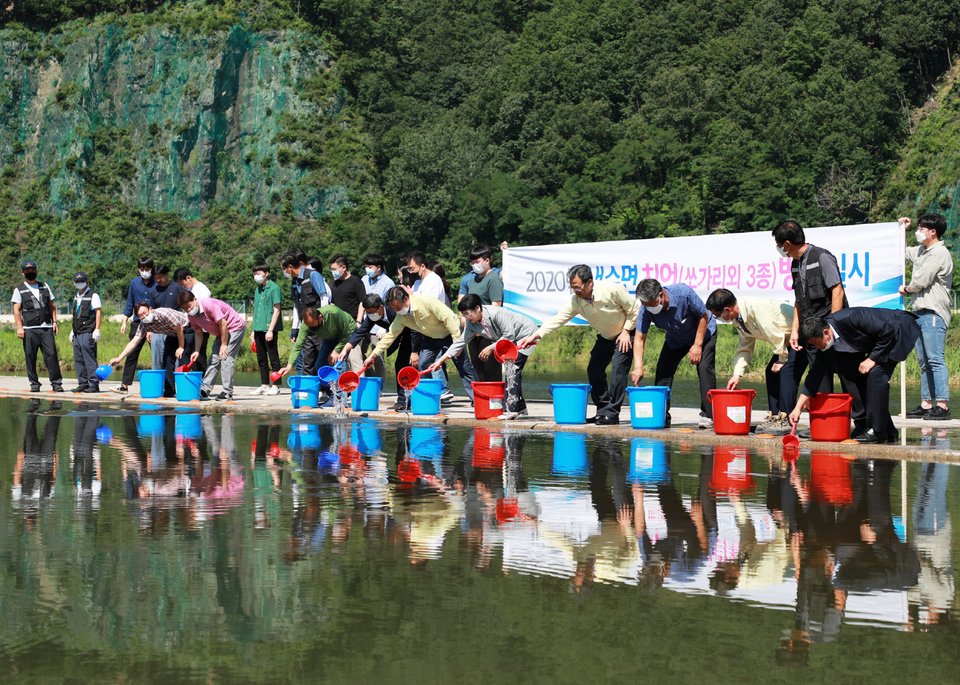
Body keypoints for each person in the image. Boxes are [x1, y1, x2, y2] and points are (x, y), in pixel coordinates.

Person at [773, 220, 866, 435]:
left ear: (787, 243)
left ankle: (862, 424)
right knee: (819, 375)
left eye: (779, 245)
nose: (779, 250)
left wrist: (833, 327)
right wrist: (795, 330)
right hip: (811, 331)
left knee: (848, 376)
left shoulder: (822, 257)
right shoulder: (795, 263)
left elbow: (837, 291)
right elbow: (798, 300)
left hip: (834, 331)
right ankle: (825, 422)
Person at [520, 265, 639, 425]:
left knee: (618, 370)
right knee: (594, 369)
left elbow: (635, 309)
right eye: (572, 288)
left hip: (625, 333)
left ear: (589, 282)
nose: (575, 291)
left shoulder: (612, 289)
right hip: (605, 336)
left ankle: (612, 413)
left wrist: (626, 331)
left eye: (578, 287)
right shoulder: (576, 301)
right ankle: (603, 410)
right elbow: (558, 319)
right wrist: (536, 335)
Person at [789, 308, 921, 444]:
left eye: (815, 343)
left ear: (826, 332)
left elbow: (887, 331)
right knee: (855, 376)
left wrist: (872, 359)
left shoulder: (851, 318)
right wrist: (798, 408)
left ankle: (877, 432)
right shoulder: (825, 347)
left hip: (899, 329)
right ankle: (888, 431)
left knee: (876, 375)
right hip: (880, 340)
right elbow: (814, 376)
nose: (816, 347)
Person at [427, 294, 538, 418]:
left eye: (467, 313)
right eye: (463, 315)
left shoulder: (496, 314)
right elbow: (461, 341)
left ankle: (510, 410)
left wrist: (491, 347)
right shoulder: (472, 323)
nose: (466, 317)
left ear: (478, 308)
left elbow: (509, 335)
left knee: (513, 368)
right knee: (512, 369)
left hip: (526, 335)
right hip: (509, 340)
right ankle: (520, 408)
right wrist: (440, 361)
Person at [705, 289, 798, 435]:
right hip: (785, 341)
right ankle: (775, 416)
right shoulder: (738, 320)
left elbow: (774, 332)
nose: (719, 319)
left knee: (786, 371)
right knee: (770, 372)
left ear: (727, 310)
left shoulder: (754, 307)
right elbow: (745, 347)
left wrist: (782, 359)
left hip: (799, 334)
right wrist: (737, 374)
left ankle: (786, 419)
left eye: (718, 316)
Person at [362, 287, 479, 402]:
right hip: (430, 338)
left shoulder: (426, 301)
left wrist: (456, 342)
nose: (396, 310)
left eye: (397, 306)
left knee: (463, 367)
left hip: (450, 334)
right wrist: (372, 356)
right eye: (393, 308)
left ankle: (477, 398)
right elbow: (390, 336)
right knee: (423, 364)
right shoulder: (401, 316)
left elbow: (449, 319)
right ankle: (427, 399)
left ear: (406, 299)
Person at [632, 279, 716, 429]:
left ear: (660, 295)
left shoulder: (683, 293)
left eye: (651, 304)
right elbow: (639, 338)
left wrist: (697, 345)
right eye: (645, 305)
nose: (648, 308)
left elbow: (703, 315)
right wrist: (638, 366)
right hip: (675, 339)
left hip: (703, 332)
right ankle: (662, 415)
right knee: (663, 372)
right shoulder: (646, 309)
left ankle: (708, 416)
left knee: (704, 369)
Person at [900, 214, 953, 420]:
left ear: (933, 232)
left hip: (933, 313)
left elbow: (921, 280)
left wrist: (906, 289)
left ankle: (942, 405)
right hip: (919, 312)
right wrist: (902, 230)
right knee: (924, 361)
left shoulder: (939, 253)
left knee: (935, 359)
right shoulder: (922, 250)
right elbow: (903, 253)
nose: (919, 231)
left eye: (922, 228)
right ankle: (926, 403)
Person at [178, 291, 247, 401]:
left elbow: (223, 323)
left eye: (189, 306)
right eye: (185, 308)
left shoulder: (209, 305)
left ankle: (227, 392)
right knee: (214, 360)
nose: (188, 310)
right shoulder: (191, 316)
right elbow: (199, 333)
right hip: (221, 332)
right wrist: (196, 350)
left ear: (195, 300)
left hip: (234, 327)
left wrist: (224, 344)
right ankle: (205, 389)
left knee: (226, 358)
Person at [108, 303, 187, 398]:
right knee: (167, 360)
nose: (144, 316)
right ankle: (170, 390)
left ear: (151, 309)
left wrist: (181, 347)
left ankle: (189, 391)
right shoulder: (143, 325)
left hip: (188, 328)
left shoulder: (164, 314)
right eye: (141, 316)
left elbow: (180, 329)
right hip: (173, 334)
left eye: (145, 313)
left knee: (184, 359)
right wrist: (119, 358)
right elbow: (133, 342)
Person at [11, 260, 63, 393]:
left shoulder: (44, 286)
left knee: (51, 355)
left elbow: (51, 305)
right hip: (29, 329)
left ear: (36, 270)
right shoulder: (19, 290)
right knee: (30, 356)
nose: (31, 272)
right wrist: (19, 327)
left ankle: (56, 383)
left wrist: (55, 321)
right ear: (23, 273)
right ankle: (34, 384)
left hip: (46, 327)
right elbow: (16, 309)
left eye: (33, 270)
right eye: (28, 271)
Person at [281, 251, 330, 376]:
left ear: (290, 267)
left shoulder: (313, 275)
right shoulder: (295, 281)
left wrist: (322, 320)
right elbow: (297, 306)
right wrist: (295, 328)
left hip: (319, 326)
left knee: (322, 360)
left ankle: (326, 391)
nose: (284, 273)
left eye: (284, 269)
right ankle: (310, 392)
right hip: (306, 327)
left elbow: (324, 297)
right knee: (307, 362)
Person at [461, 245, 505, 382]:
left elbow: (496, 307)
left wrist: (484, 328)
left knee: (491, 371)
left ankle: (495, 402)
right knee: (478, 369)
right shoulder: (473, 279)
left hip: (488, 333)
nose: (475, 265)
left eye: (478, 262)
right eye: (473, 263)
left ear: (487, 260)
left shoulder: (493, 279)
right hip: (474, 332)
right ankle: (483, 402)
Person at [278, 305, 357, 379]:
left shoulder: (333, 312)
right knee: (319, 366)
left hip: (347, 332)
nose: (310, 327)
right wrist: (289, 366)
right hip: (330, 336)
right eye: (308, 325)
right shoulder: (307, 324)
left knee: (338, 364)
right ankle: (329, 391)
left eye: (312, 325)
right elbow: (298, 345)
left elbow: (346, 333)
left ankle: (339, 393)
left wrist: (336, 350)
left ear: (320, 317)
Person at [115, 256, 157, 393]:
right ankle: (125, 385)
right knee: (131, 353)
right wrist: (124, 321)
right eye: (142, 269)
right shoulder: (134, 283)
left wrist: (152, 325)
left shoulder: (157, 283)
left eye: (147, 269)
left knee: (157, 354)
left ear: (152, 269)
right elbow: (129, 303)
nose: (144, 271)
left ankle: (161, 384)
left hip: (154, 323)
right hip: (138, 323)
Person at [338, 292, 396, 382]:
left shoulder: (393, 310)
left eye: (372, 312)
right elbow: (360, 333)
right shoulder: (372, 316)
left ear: (381, 307)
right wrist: (345, 349)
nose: (370, 314)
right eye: (367, 312)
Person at [329, 253, 368, 371]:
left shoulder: (355, 282)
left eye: (334, 269)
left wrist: (358, 321)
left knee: (355, 358)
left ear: (344, 268)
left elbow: (363, 302)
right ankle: (342, 387)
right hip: (338, 327)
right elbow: (332, 303)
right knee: (340, 358)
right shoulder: (333, 283)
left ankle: (360, 387)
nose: (333, 272)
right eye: (331, 269)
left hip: (353, 325)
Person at [250, 261, 283, 396]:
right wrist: (253, 330)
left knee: (273, 357)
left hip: (269, 328)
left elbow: (277, 309)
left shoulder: (274, 288)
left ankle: (276, 385)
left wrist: (270, 330)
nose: (256, 276)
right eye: (255, 274)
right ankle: (264, 385)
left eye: (258, 273)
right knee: (261, 358)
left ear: (266, 273)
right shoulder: (258, 289)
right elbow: (256, 310)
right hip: (258, 327)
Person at [68, 271, 102, 393]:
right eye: (77, 282)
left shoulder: (93, 295)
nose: (80, 283)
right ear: (74, 283)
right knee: (78, 359)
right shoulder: (76, 296)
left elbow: (98, 312)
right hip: (77, 332)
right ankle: (83, 383)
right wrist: (73, 330)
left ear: (87, 281)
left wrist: (97, 329)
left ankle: (94, 383)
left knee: (89, 359)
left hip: (88, 331)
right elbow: (77, 314)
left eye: (82, 281)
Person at [173, 267, 211, 372]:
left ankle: (201, 383)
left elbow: (203, 311)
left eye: (182, 283)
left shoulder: (201, 290)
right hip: (192, 327)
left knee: (199, 358)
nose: (182, 286)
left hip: (200, 329)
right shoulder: (191, 290)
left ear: (188, 278)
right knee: (188, 356)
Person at [150, 264, 184, 374]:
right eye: (155, 278)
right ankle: (159, 384)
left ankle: (176, 384)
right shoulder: (154, 291)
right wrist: (149, 330)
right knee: (157, 359)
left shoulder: (177, 287)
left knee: (176, 358)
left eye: (160, 277)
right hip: (158, 330)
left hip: (175, 329)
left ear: (167, 275)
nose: (158, 280)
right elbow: (151, 311)